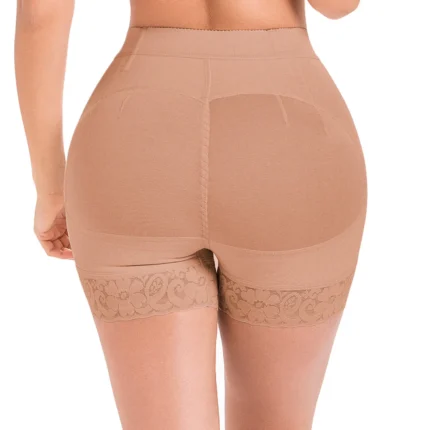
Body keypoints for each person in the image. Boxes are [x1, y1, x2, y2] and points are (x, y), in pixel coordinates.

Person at [14, 0, 367, 428]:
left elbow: (40, 16)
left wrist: (51, 186)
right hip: (288, 138)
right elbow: (339, 6)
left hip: (134, 132)